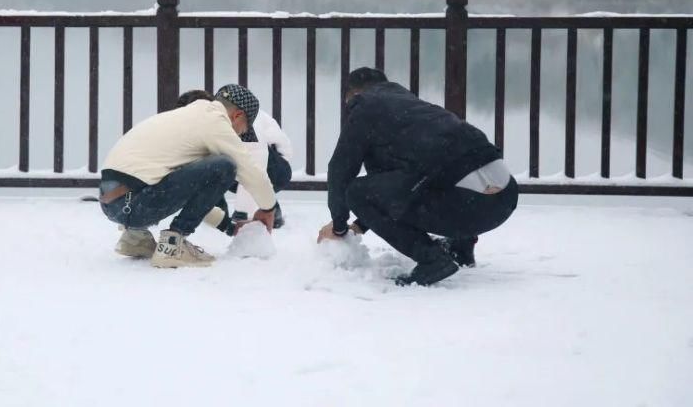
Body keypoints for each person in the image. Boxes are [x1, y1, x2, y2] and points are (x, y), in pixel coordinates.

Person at [318, 67, 518, 286]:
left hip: (468, 207)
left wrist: (339, 226)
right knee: (439, 170)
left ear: (353, 95)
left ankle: (432, 260)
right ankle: (459, 248)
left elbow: (340, 169)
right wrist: (359, 226)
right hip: (504, 200)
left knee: (355, 191)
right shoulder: (415, 109)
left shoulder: (365, 107)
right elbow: (398, 188)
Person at [100, 84, 277, 268]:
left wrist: (229, 227)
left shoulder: (184, 118)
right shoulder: (214, 121)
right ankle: (173, 245)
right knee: (225, 166)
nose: (239, 136)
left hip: (113, 203)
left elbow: (183, 191)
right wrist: (268, 208)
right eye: (242, 131)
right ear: (237, 115)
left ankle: (135, 238)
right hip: (136, 202)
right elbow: (248, 169)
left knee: (156, 172)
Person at [177, 86, 294, 228]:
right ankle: (224, 208)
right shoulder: (214, 122)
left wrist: (244, 213)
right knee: (210, 164)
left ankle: (270, 208)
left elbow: (254, 168)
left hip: (276, 166)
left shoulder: (245, 124)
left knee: (249, 173)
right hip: (244, 164)